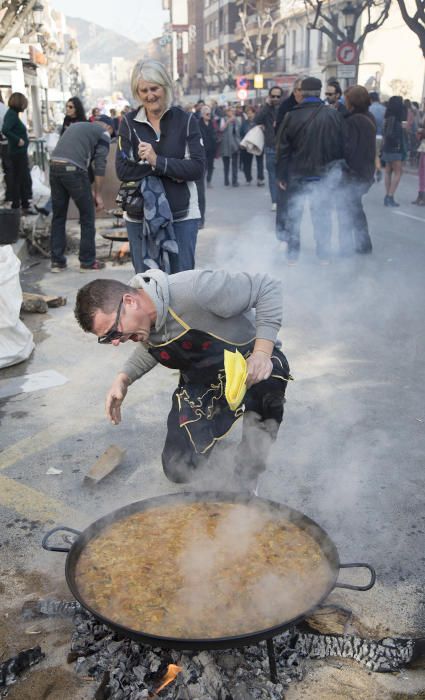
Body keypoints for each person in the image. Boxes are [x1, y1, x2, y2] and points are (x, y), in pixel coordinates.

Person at [74, 269, 291, 493]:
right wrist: (123, 378)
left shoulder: (196, 289)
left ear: (129, 302)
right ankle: (213, 429)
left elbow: (268, 286)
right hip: (204, 380)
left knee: (269, 385)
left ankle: (248, 471)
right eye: (108, 339)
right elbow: (152, 348)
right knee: (179, 469)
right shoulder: (143, 325)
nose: (116, 342)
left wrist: (262, 353)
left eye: (113, 332)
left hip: (248, 364)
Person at [116, 59, 205, 274]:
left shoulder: (186, 120)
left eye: (154, 88)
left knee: (182, 283)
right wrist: (172, 169)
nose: (150, 95)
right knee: (148, 285)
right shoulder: (128, 123)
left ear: (165, 87)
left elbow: (196, 168)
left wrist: (157, 161)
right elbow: (123, 170)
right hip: (139, 216)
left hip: (182, 214)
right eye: (143, 90)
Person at [276, 77, 344, 264]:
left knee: (294, 215)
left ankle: (292, 255)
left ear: (302, 93)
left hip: (296, 174)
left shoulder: (291, 116)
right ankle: (323, 255)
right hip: (324, 175)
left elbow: (282, 149)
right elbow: (340, 147)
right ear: (320, 92)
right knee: (322, 215)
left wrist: (281, 175)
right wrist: (336, 174)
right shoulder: (332, 115)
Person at [49, 117, 114, 272]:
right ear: (109, 127)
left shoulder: (78, 126)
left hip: (55, 166)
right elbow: (99, 165)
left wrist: (88, 189)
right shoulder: (104, 133)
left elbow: (82, 165)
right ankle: (87, 262)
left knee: (58, 216)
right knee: (87, 216)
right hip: (73, 170)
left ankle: (57, 262)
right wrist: (98, 195)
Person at [339, 86, 376, 255]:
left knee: (350, 208)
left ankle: (356, 245)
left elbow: (350, 149)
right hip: (365, 170)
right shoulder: (369, 117)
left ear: (352, 101)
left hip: (355, 172)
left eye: (347, 99)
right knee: (354, 207)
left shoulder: (353, 121)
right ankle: (362, 243)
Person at [275, 79, 304, 240]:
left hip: (305, 163)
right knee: (285, 203)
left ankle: (295, 235)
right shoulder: (286, 108)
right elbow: (281, 140)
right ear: (294, 91)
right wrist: (281, 172)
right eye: (298, 89)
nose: (301, 93)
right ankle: (282, 235)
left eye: (303, 90)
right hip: (289, 161)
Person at [1, 92, 35, 215]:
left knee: (19, 178)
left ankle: (21, 204)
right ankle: (21, 205)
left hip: (18, 152)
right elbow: (5, 129)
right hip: (17, 153)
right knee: (21, 178)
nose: (25, 105)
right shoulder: (11, 115)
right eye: (24, 103)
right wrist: (18, 139)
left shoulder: (13, 114)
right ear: (19, 103)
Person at [255, 86, 283, 210]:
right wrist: (266, 105)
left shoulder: (285, 109)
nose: (275, 98)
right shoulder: (266, 110)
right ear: (269, 97)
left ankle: (283, 199)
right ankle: (275, 201)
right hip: (271, 146)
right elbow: (257, 120)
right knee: (272, 176)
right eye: (273, 96)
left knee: (283, 175)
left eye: (278, 96)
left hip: (283, 147)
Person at [382, 96, 406, 207]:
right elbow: (400, 136)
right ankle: (390, 196)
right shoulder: (397, 121)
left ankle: (387, 195)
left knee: (387, 171)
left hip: (387, 147)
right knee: (398, 172)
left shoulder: (387, 118)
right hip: (396, 148)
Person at [240, 106, 264, 185]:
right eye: (248, 113)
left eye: (251, 113)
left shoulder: (259, 122)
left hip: (258, 143)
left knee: (259, 162)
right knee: (247, 162)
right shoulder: (244, 123)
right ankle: (248, 178)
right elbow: (241, 133)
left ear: (254, 113)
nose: (250, 115)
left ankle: (260, 179)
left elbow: (264, 131)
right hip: (248, 145)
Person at [219, 106, 240, 187]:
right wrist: (228, 122)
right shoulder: (223, 119)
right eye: (228, 111)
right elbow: (221, 129)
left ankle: (234, 181)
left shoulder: (236, 120)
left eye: (231, 111)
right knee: (226, 164)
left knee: (235, 164)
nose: (230, 112)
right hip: (225, 144)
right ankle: (226, 180)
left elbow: (238, 132)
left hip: (234, 144)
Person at [369, 92, 386, 182]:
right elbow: (385, 124)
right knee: (377, 154)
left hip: (370, 135)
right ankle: (378, 169)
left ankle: (372, 172)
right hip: (380, 136)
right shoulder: (384, 109)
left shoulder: (368, 109)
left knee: (369, 155)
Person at [199, 104, 217, 188]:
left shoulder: (212, 123)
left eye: (210, 114)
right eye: (207, 114)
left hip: (211, 149)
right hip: (202, 149)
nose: (209, 115)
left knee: (211, 166)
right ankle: (202, 180)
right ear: (202, 114)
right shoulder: (198, 123)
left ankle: (209, 180)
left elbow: (215, 133)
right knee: (204, 166)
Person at [0, 90, 12, 204]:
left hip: (4, 142)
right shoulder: (5, 109)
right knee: (8, 169)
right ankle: (10, 195)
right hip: (6, 143)